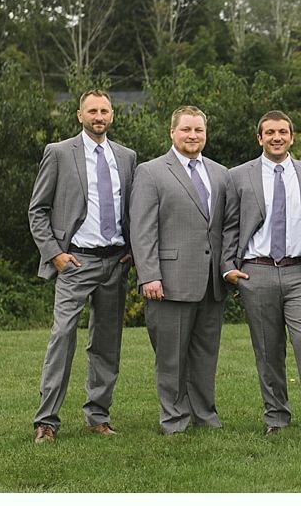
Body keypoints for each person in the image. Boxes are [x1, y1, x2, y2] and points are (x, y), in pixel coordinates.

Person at [28, 89, 136, 444]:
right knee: (62, 336)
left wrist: (133, 250)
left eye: (104, 110)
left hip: (115, 262)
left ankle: (98, 416)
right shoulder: (59, 153)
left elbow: (135, 212)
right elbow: (38, 210)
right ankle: (46, 420)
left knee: (106, 343)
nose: (99, 116)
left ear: (112, 115)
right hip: (75, 261)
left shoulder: (127, 157)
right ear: (80, 115)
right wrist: (55, 254)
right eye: (92, 111)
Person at [223, 110, 301, 438]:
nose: (277, 137)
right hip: (255, 272)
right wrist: (228, 267)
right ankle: (276, 416)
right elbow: (229, 225)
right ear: (259, 138)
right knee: (267, 347)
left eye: (283, 132)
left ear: (292, 136)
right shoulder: (239, 176)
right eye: (270, 132)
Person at [130, 105, 234, 435]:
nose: (192, 135)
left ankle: (205, 415)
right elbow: (142, 228)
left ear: (206, 134)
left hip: (210, 281)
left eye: (198, 130)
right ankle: (174, 419)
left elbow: (225, 225)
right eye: (186, 130)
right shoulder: (151, 172)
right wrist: (149, 274)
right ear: (172, 132)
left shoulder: (220, 173)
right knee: (171, 358)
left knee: (205, 355)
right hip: (169, 280)